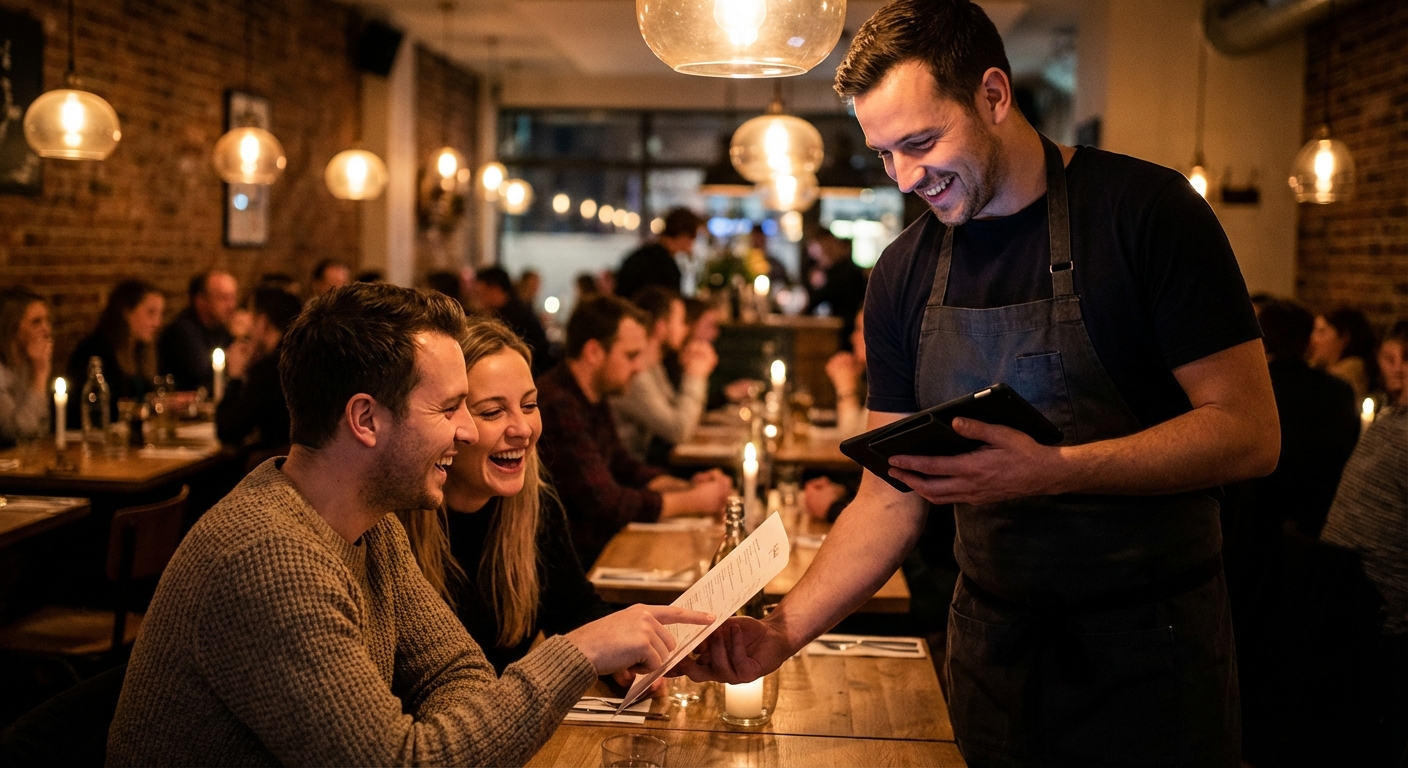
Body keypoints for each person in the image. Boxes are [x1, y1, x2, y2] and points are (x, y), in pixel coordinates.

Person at [680, 3, 1279, 766]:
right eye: (884, 155)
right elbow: (889, 498)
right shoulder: (901, 273)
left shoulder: (1146, 214)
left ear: (993, 96)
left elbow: (1249, 432)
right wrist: (781, 631)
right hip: (990, 650)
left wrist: (1053, 473)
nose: (906, 178)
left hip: (1151, 648)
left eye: (922, 143)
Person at [107, 283, 712, 766]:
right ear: (366, 420)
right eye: (450, 409)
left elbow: (459, 671)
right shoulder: (271, 559)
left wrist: (457, 731)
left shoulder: (372, 525)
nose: (468, 431)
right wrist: (579, 651)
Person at [400, 316, 614, 673]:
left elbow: (575, 610)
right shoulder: (395, 520)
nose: (523, 429)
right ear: (448, 421)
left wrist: (637, 655)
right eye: (493, 412)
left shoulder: (535, 502)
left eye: (529, 405)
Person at [537, 295, 733, 565]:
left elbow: (626, 468)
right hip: (573, 566)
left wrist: (688, 486)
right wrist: (695, 501)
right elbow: (607, 504)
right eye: (631, 356)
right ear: (594, 352)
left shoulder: (593, 395)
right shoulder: (558, 404)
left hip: (598, 552)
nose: (639, 367)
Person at [1319, 320, 1408, 765]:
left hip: (1382, 606)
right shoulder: (1390, 420)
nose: (1398, 372)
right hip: (1353, 596)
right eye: (1391, 360)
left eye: (1405, 362)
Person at [612, 287, 716, 463]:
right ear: (661, 327)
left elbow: (678, 412)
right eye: (682, 321)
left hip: (641, 469)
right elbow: (678, 431)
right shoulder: (635, 372)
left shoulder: (654, 365)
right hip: (630, 474)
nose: (686, 329)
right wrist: (695, 376)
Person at [216, 288, 304, 457]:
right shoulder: (300, 355)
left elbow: (228, 431)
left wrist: (235, 376)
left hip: (281, 470)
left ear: (262, 322)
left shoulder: (273, 367)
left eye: (250, 314)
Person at [66, 280, 165, 422]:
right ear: (126, 312)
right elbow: (105, 409)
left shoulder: (141, 351)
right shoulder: (97, 352)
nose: (158, 322)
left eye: (160, 314)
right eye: (151, 313)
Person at [158, 270, 238, 391]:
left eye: (233, 297)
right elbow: (202, 376)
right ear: (200, 301)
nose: (231, 305)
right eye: (223, 298)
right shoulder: (182, 331)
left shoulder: (222, 329)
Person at [471, 267, 554, 376]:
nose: (479, 299)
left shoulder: (513, 315)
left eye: (481, 293)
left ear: (495, 289)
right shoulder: (511, 308)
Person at [0, 288, 52, 444]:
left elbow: (42, 427)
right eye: (36, 322)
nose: (47, 330)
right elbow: (19, 432)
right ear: (12, 327)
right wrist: (40, 374)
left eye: (46, 320)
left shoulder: (25, 365)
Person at [614, 207, 702, 299]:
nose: (694, 243)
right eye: (695, 236)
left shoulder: (638, 256)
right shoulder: (666, 267)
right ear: (684, 236)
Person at [805, 231, 867, 345]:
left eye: (813, 245)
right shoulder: (843, 268)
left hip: (846, 327)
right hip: (847, 323)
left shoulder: (841, 271)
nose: (809, 249)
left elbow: (818, 297)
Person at [1308, 307, 1377, 402]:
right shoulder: (1319, 369)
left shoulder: (1350, 373)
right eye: (1313, 331)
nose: (1313, 339)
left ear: (1345, 338)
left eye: (1322, 332)